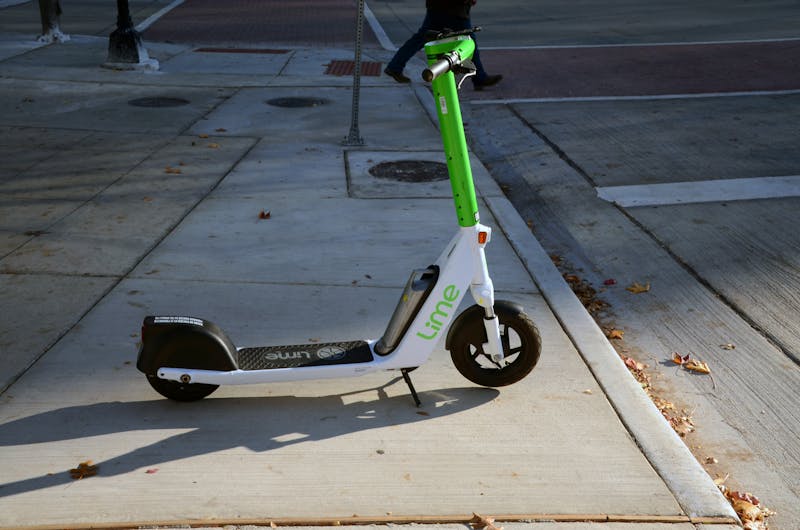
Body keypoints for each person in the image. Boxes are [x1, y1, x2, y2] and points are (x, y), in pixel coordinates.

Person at [384, 0, 502, 90]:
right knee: (468, 40)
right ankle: (479, 77)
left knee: (421, 38)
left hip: (441, 6)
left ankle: (395, 66)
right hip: (452, 7)